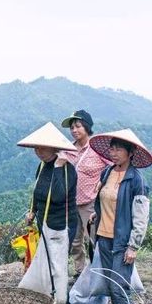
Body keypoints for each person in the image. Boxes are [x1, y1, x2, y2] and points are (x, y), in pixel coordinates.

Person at [19, 122, 78, 304]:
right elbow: (38, 191)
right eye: (36, 147)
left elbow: (59, 195)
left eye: (42, 147)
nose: (38, 151)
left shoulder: (68, 170)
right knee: (46, 262)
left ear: (55, 148)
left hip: (62, 225)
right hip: (44, 222)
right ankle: (51, 300)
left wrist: (60, 167)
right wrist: (33, 211)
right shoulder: (42, 166)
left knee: (57, 265)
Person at [88, 129, 152, 304]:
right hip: (104, 237)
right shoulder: (107, 172)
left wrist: (133, 246)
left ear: (130, 153)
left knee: (119, 286)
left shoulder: (136, 180)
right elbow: (106, 198)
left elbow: (141, 217)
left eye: (118, 150)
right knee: (109, 283)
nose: (113, 154)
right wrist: (97, 214)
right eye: (111, 149)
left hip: (122, 241)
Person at [61, 110, 105, 276]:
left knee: (93, 239)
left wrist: (103, 183)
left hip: (91, 203)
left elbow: (112, 166)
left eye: (78, 126)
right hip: (71, 203)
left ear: (87, 127)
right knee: (75, 241)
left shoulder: (97, 148)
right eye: (72, 127)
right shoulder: (68, 149)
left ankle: (97, 272)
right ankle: (80, 272)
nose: (74, 130)